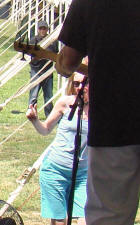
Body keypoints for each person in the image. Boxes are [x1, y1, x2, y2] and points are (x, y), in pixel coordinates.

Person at [55, 0, 140, 225]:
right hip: (115, 124)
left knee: (110, 217)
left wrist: (61, 64)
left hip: (115, 123)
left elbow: (69, 61)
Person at [27, 72, 88, 225]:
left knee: (86, 219)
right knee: (60, 221)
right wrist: (35, 120)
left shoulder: (102, 109)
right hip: (56, 169)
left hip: (83, 173)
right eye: (76, 84)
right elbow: (45, 130)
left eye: (85, 83)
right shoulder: (65, 103)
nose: (80, 87)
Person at [27, 20, 58, 118]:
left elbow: (55, 53)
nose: (43, 31)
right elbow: (29, 54)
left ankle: (49, 114)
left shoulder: (52, 41)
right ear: (38, 29)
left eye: (44, 28)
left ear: (47, 29)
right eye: (41, 28)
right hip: (36, 70)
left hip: (47, 71)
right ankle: (31, 113)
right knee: (33, 94)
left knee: (48, 95)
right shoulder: (33, 40)